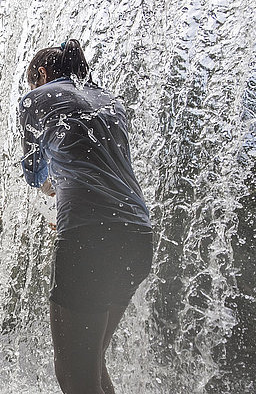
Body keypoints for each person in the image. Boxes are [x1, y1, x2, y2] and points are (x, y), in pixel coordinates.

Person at [19, 40, 153, 394]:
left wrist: (58, 197)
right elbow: (98, 164)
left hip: (89, 236)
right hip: (138, 233)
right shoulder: (112, 102)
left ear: (42, 75)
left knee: (73, 376)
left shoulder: (38, 98)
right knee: (91, 363)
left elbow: (35, 174)